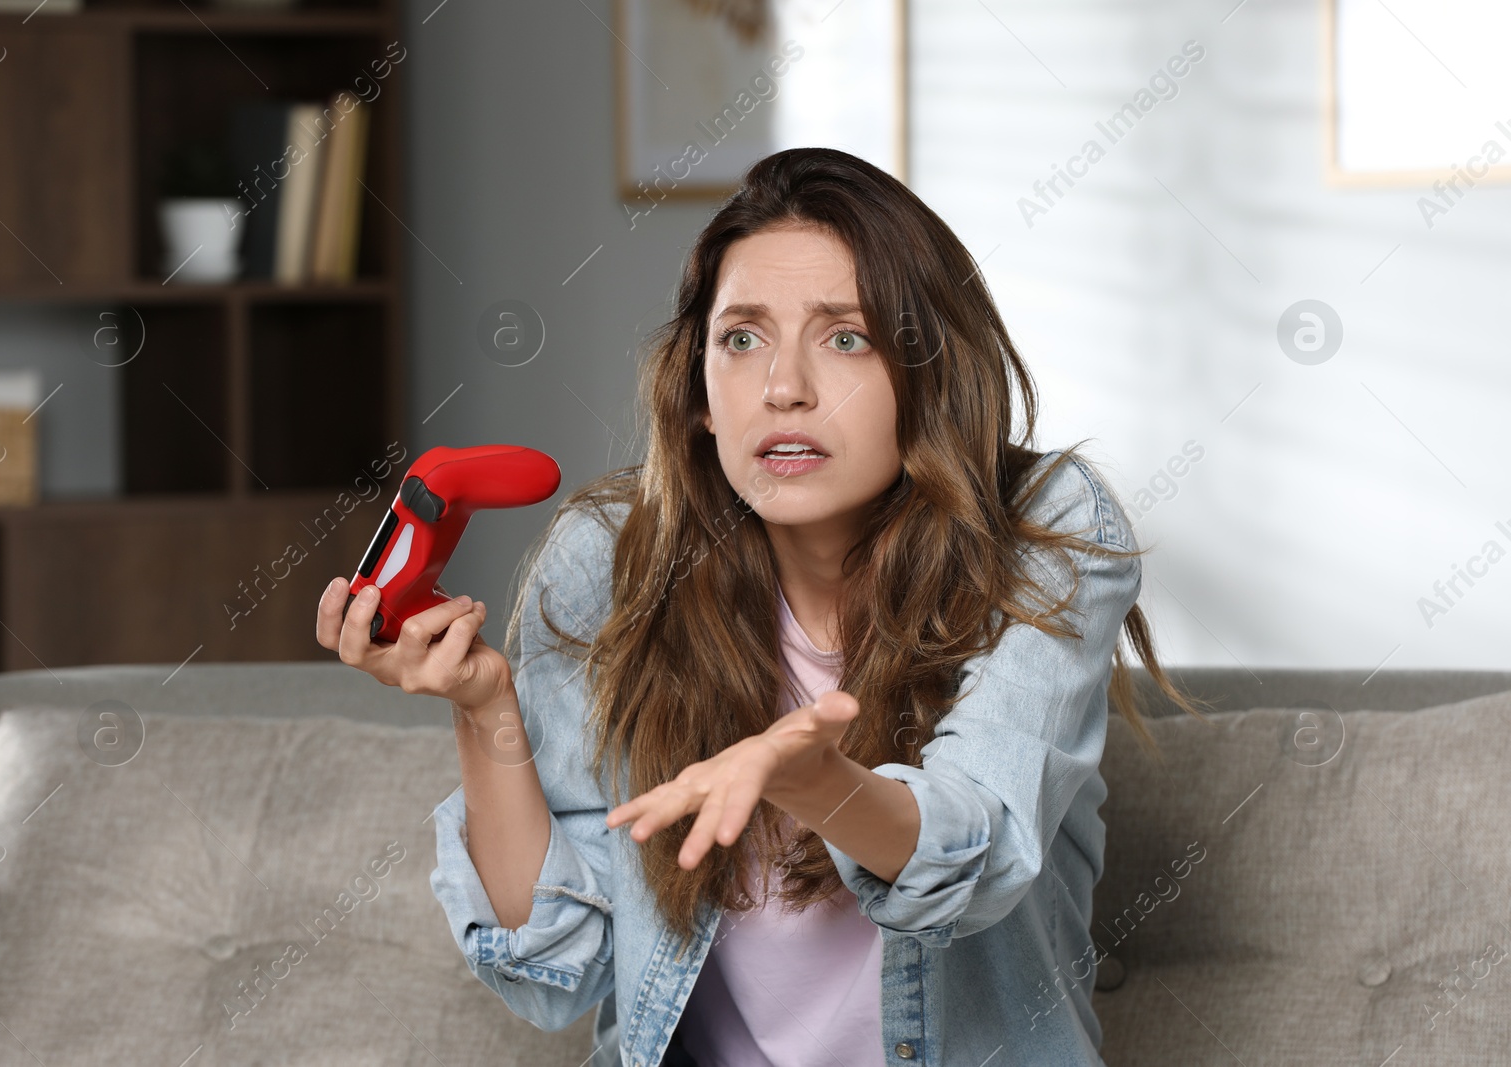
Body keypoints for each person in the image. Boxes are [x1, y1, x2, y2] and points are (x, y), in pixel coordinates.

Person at [316, 146, 1208, 1067]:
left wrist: (815, 781)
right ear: (700, 392)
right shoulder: (614, 558)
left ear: (927, 372)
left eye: (844, 336)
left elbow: (976, 851)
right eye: (741, 338)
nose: (783, 387)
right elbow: (559, 971)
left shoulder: (1046, 530)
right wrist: (483, 707)